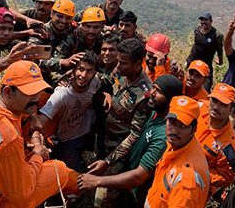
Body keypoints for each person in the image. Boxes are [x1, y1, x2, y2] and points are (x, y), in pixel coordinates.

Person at [77, 74, 184, 206]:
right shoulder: (154, 113)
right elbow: (133, 137)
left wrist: (97, 181)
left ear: (171, 99)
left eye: (159, 91)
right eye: (153, 88)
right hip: (127, 181)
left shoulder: (163, 135)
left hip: (137, 193)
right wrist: (107, 162)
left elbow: (139, 176)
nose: (152, 93)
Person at [0, 61, 79, 208]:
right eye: (30, 93)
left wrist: (33, 119)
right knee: (58, 170)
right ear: (8, 92)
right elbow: (21, 193)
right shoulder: (6, 136)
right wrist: (38, 155)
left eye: (38, 90)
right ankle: (85, 187)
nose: (36, 98)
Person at [87, 38, 153, 207]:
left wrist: (109, 161)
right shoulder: (121, 69)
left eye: (123, 63)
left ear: (138, 63)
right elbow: (107, 81)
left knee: (103, 198)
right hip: (103, 137)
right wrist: (104, 93)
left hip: (119, 151)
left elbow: (134, 135)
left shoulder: (144, 95)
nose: (119, 66)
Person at [36, 51, 102, 172]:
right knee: (65, 172)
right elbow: (40, 123)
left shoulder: (95, 82)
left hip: (84, 133)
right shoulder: (61, 95)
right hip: (65, 139)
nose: (83, 75)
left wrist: (106, 93)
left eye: (89, 71)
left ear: (95, 72)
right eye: (80, 69)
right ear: (73, 70)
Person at [144, 95, 210, 208]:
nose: (174, 130)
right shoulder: (178, 144)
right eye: (172, 122)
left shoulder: (187, 181)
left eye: (182, 125)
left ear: (194, 129)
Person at [195, 83, 235, 199]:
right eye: (214, 101)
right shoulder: (198, 108)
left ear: (231, 110)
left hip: (195, 188)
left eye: (223, 105)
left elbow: (225, 177)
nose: (216, 107)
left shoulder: (231, 146)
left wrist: (196, 171)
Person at [0, 7, 40, 93]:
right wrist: (8, 61)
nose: (6, 33)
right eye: (1, 28)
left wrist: (27, 32)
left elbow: (10, 35)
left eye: (10, 29)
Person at [29, 0, 77, 84]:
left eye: (68, 18)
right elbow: (34, 57)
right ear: (51, 14)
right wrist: (62, 62)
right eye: (60, 16)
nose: (63, 21)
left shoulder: (73, 30)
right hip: (40, 75)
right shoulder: (40, 32)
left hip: (66, 73)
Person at [185, 12, 224, 91]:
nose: (203, 22)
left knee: (205, 89)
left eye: (206, 20)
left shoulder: (216, 35)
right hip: (193, 62)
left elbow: (220, 50)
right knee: (188, 86)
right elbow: (195, 46)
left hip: (206, 65)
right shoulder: (197, 30)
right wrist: (188, 61)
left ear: (211, 21)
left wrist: (220, 61)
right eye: (201, 20)